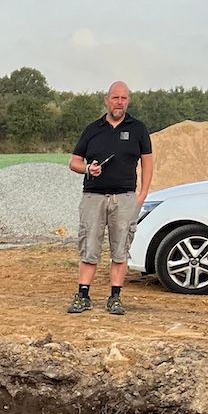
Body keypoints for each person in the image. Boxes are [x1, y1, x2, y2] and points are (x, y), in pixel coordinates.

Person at [66, 81, 153, 315]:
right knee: (89, 247)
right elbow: (74, 162)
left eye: (124, 98)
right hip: (93, 197)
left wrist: (142, 193)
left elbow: (147, 161)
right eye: (115, 98)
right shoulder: (92, 129)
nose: (119, 102)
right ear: (106, 100)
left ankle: (115, 297)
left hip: (124, 198)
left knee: (120, 249)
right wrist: (87, 169)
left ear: (128, 101)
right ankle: (83, 295)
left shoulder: (138, 129)